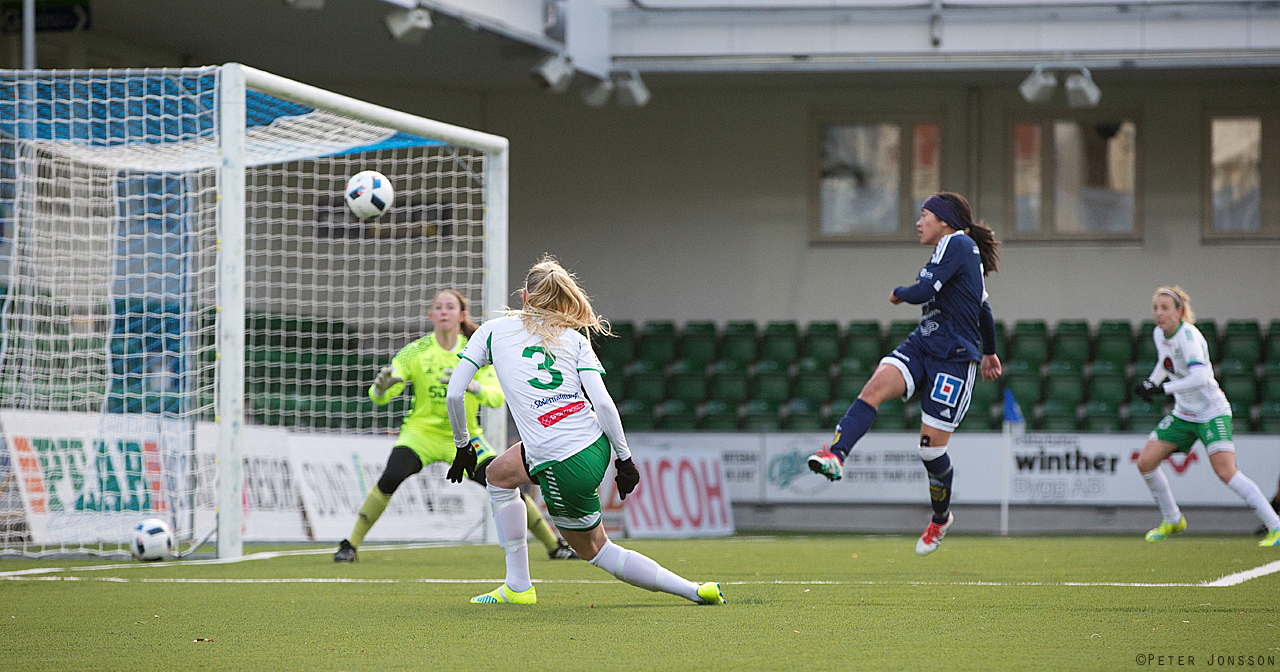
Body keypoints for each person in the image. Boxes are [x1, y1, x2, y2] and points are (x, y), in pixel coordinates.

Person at [444, 256, 724, 605]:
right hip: (594, 443)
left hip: (562, 461)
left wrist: (463, 445)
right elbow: (603, 404)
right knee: (499, 474)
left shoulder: (491, 331)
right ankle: (517, 585)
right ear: (562, 301)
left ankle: (694, 591)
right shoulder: (574, 339)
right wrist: (625, 459)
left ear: (525, 297)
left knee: (596, 549)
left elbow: (454, 393)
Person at [807, 192, 1002, 557]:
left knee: (930, 451)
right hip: (923, 345)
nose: (918, 222)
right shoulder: (955, 251)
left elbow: (924, 291)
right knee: (874, 387)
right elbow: (984, 310)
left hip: (954, 359)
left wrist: (898, 292)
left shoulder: (957, 243)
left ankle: (940, 519)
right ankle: (835, 454)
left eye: (924, 215)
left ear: (944, 220)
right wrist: (991, 351)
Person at [333, 289, 578, 562]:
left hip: (465, 437)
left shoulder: (476, 350)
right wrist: (380, 389)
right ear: (431, 316)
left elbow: (496, 397)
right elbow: (381, 394)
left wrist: (472, 386)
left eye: (449, 307)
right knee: (391, 476)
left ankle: (555, 546)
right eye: (438, 307)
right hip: (421, 434)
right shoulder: (415, 351)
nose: (443, 312)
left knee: (507, 483)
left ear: (462, 315)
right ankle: (350, 545)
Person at [1132, 286, 1280, 547]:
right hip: (1183, 414)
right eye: (1155, 308)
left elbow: (1200, 378)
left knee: (1227, 473)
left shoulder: (1189, 337)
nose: (1159, 313)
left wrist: (1163, 389)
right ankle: (1173, 519)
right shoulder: (1159, 334)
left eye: (1165, 308)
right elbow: (1166, 362)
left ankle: (1276, 526)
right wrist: (1151, 383)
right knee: (1145, 462)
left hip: (1211, 412)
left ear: (1179, 311)